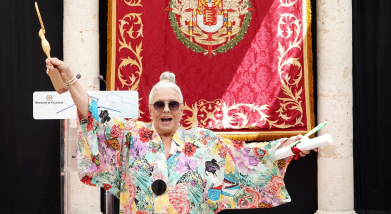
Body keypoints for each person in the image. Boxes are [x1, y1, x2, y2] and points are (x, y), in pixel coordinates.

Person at [46, 58, 313, 214]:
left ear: (182, 109)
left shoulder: (205, 142)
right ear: (149, 109)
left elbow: (248, 158)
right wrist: (69, 78)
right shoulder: (131, 136)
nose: (166, 109)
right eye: (159, 104)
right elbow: (93, 114)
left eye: (172, 104)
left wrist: (289, 147)